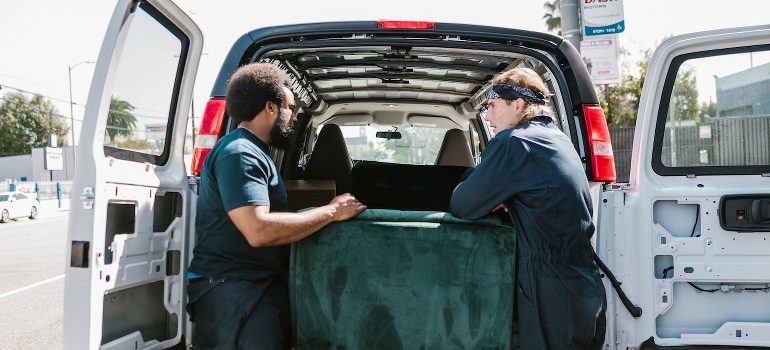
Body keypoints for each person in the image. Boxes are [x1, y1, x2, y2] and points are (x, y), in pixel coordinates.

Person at [186, 62, 367, 350]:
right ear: (270, 108)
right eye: (291, 108)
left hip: (249, 290)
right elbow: (258, 229)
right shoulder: (240, 153)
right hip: (233, 292)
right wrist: (331, 212)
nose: (294, 117)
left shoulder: (254, 151)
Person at [449, 67, 607, 349]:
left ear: (519, 105)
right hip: (584, 284)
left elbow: (462, 204)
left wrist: (500, 198)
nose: (488, 116)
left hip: (550, 290)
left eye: (493, 106)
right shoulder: (558, 139)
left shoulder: (514, 143)